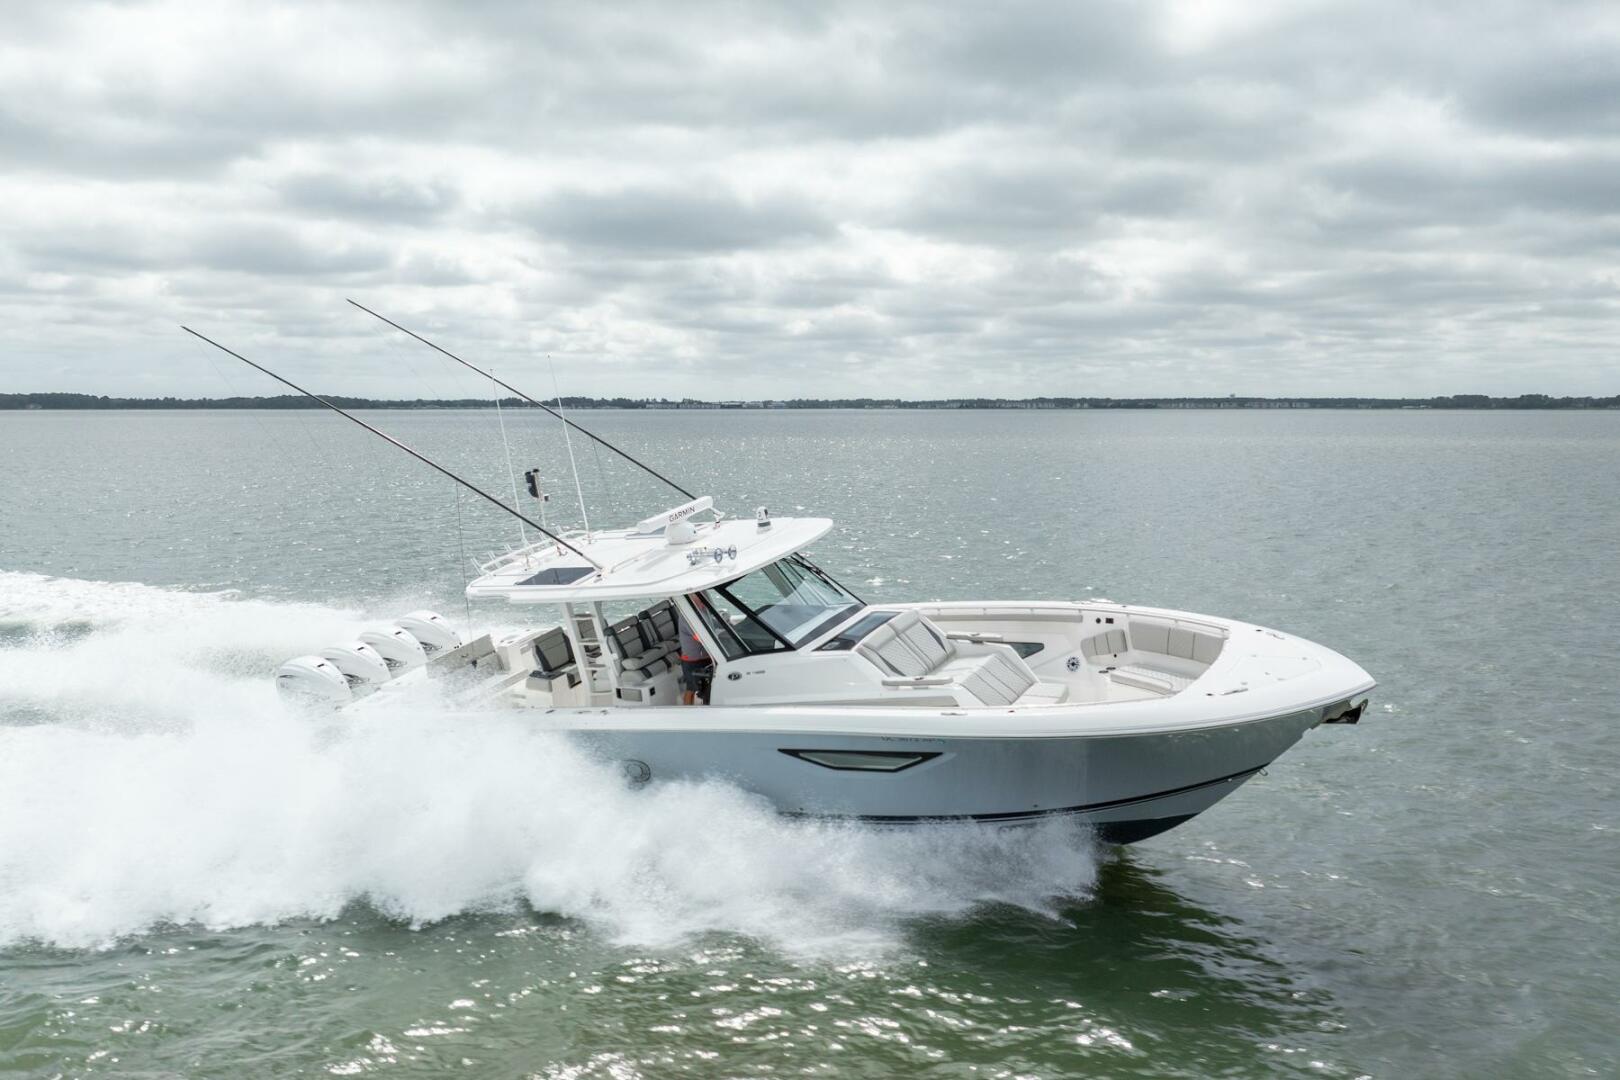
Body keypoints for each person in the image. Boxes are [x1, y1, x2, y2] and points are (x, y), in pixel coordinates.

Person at [677, 604, 712, 705]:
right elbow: (699, 637)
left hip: (706, 657)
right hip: (691, 660)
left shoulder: (704, 610)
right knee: (691, 689)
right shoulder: (686, 616)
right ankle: (687, 712)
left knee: (708, 687)